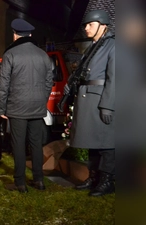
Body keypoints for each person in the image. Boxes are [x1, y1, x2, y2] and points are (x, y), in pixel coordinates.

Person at [0, 19, 53, 193]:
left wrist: (0, 108)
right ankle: (39, 180)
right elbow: (48, 81)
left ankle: (20, 182)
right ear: (30, 35)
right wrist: (42, 99)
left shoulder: (11, 54)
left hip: (17, 107)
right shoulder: (43, 54)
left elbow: (2, 84)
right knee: (36, 144)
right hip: (37, 107)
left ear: (15, 34)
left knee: (18, 145)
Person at [68, 10, 115, 197]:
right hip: (89, 98)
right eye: (85, 25)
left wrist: (108, 105)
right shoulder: (94, 47)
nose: (86, 28)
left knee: (106, 143)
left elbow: (115, 78)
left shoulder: (113, 46)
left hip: (101, 99)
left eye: (90, 24)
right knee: (92, 142)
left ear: (102, 26)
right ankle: (94, 177)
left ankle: (107, 181)